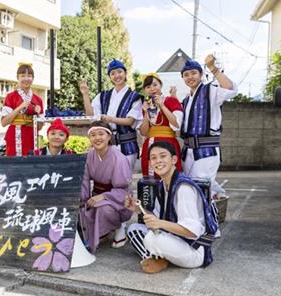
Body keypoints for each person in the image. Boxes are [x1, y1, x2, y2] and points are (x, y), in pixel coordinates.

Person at [125, 140, 218, 273]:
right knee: (134, 228)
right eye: (153, 158)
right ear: (150, 164)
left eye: (163, 156)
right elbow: (156, 218)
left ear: (174, 159)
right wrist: (137, 209)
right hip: (175, 239)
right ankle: (159, 259)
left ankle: (158, 258)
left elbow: (192, 232)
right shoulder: (163, 184)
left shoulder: (183, 188)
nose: (158, 161)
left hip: (194, 250)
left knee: (151, 239)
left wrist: (160, 224)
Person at [180, 55, 237, 198]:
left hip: (207, 148)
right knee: (190, 186)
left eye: (193, 73)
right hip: (188, 151)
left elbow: (229, 88)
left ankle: (207, 217)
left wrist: (212, 68)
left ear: (201, 74)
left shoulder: (211, 90)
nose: (190, 77)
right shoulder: (186, 100)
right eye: (186, 75)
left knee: (202, 186)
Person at [80, 59, 144, 171]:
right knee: (106, 179)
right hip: (107, 145)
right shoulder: (103, 95)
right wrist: (85, 95)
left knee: (124, 180)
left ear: (126, 73)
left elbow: (130, 121)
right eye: (112, 73)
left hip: (127, 145)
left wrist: (111, 119)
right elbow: (92, 116)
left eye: (119, 72)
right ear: (109, 77)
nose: (116, 76)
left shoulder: (134, 97)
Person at [80, 121, 133, 254]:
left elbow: (123, 190)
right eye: (93, 135)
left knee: (104, 208)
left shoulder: (119, 159)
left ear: (109, 136)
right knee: (83, 211)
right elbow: (84, 181)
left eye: (101, 134)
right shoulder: (87, 156)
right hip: (96, 196)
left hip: (116, 200)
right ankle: (103, 230)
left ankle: (119, 226)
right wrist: (83, 200)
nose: (97, 138)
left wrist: (103, 196)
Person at [139, 73, 183, 176]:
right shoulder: (145, 105)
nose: (152, 89)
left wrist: (162, 106)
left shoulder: (171, 101)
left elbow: (177, 125)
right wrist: (146, 113)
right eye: (148, 87)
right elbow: (143, 132)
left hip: (169, 143)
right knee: (150, 181)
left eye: (155, 85)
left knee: (170, 177)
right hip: (150, 144)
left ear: (161, 85)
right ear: (144, 90)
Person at [1, 63, 44, 156]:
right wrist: (18, 108)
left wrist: (38, 114)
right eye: (22, 76)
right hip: (14, 139)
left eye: (29, 76)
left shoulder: (38, 100)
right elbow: (3, 123)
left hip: (32, 138)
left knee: (31, 167)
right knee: (13, 167)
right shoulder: (10, 97)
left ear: (33, 78)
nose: (26, 79)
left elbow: (39, 127)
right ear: (17, 77)